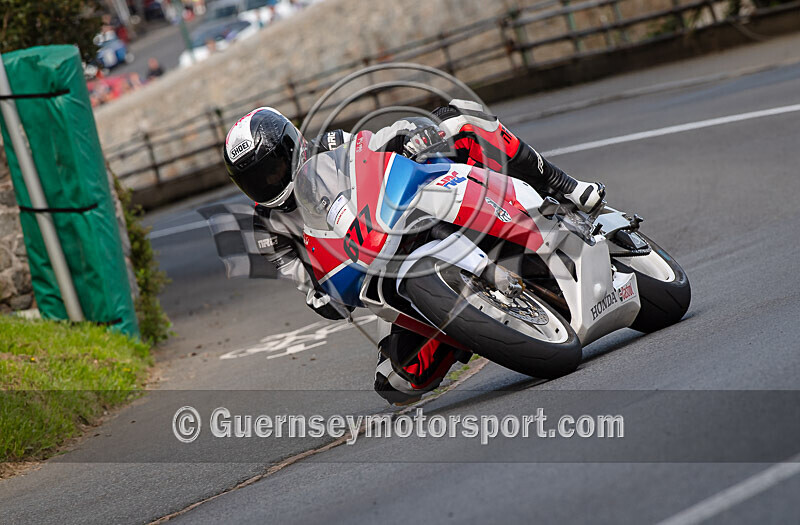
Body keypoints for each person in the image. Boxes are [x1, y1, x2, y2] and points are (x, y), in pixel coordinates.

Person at [222, 101, 605, 405]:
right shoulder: (268, 228)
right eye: (255, 179)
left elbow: (375, 146)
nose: (268, 181)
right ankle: (471, 326)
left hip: (406, 210)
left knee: (459, 119)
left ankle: (565, 186)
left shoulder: (331, 144)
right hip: (375, 271)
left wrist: (410, 135)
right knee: (396, 382)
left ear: (291, 145)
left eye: (272, 169)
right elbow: (302, 277)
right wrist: (320, 296)